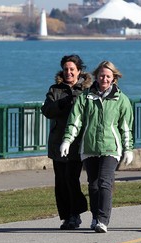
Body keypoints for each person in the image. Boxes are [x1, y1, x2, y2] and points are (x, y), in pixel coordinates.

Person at [60, 61, 134, 233]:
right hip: (89, 147)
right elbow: (75, 121)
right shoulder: (85, 97)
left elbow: (126, 127)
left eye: (108, 76)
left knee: (104, 182)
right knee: (93, 185)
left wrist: (128, 148)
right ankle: (95, 217)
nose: (104, 79)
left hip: (111, 148)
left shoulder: (121, 99)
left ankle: (103, 220)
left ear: (114, 78)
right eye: (101, 75)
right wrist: (67, 140)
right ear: (96, 76)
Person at [41, 54, 92, 230]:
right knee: (61, 181)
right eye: (66, 69)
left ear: (79, 71)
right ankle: (67, 216)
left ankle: (76, 212)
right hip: (58, 143)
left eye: (72, 69)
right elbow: (47, 111)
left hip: (78, 143)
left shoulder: (87, 90)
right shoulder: (55, 89)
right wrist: (61, 104)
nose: (68, 72)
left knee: (72, 179)